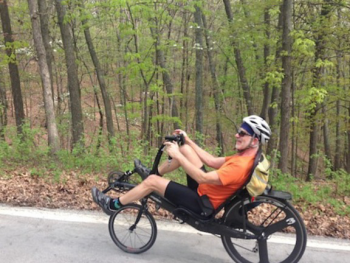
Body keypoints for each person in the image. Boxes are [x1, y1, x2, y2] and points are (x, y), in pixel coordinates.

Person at [91, 115, 271, 216]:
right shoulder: (244, 157)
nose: (236, 135)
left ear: (255, 140)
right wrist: (188, 141)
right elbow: (210, 161)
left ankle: (112, 205)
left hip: (202, 203)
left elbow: (203, 177)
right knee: (185, 149)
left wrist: (176, 154)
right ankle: (153, 173)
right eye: (238, 131)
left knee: (153, 181)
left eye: (242, 133)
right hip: (204, 190)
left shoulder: (240, 166)